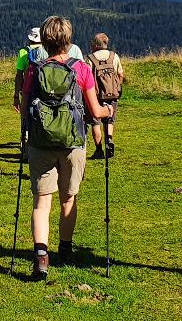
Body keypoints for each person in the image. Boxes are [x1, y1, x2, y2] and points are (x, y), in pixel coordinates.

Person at [17, 15, 112, 280]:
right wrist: (108, 110)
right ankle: (66, 249)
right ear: (68, 40)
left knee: (41, 201)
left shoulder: (34, 70)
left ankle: (40, 257)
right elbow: (94, 110)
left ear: (44, 41)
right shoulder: (81, 69)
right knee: (68, 198)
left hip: (40, 142)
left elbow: (24, 110)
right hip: (72, 144)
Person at [89, 32, 125, 160]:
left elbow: (87, 78)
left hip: (96, 95)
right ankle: (109, 139)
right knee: (110, 119)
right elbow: (120, 74)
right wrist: (117, 87)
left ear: (95, 44)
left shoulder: (90, 58)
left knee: (95, 122)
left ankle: (99, 150)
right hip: (112, 94)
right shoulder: (114, 56)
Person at [12, 27, 46, 152]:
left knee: (25, 117)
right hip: (44, 91)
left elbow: (19, 75)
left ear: (29, 38)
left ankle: (25, 146)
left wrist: (16, 95)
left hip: (28, 90)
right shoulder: (47, 51)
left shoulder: (23, 52)